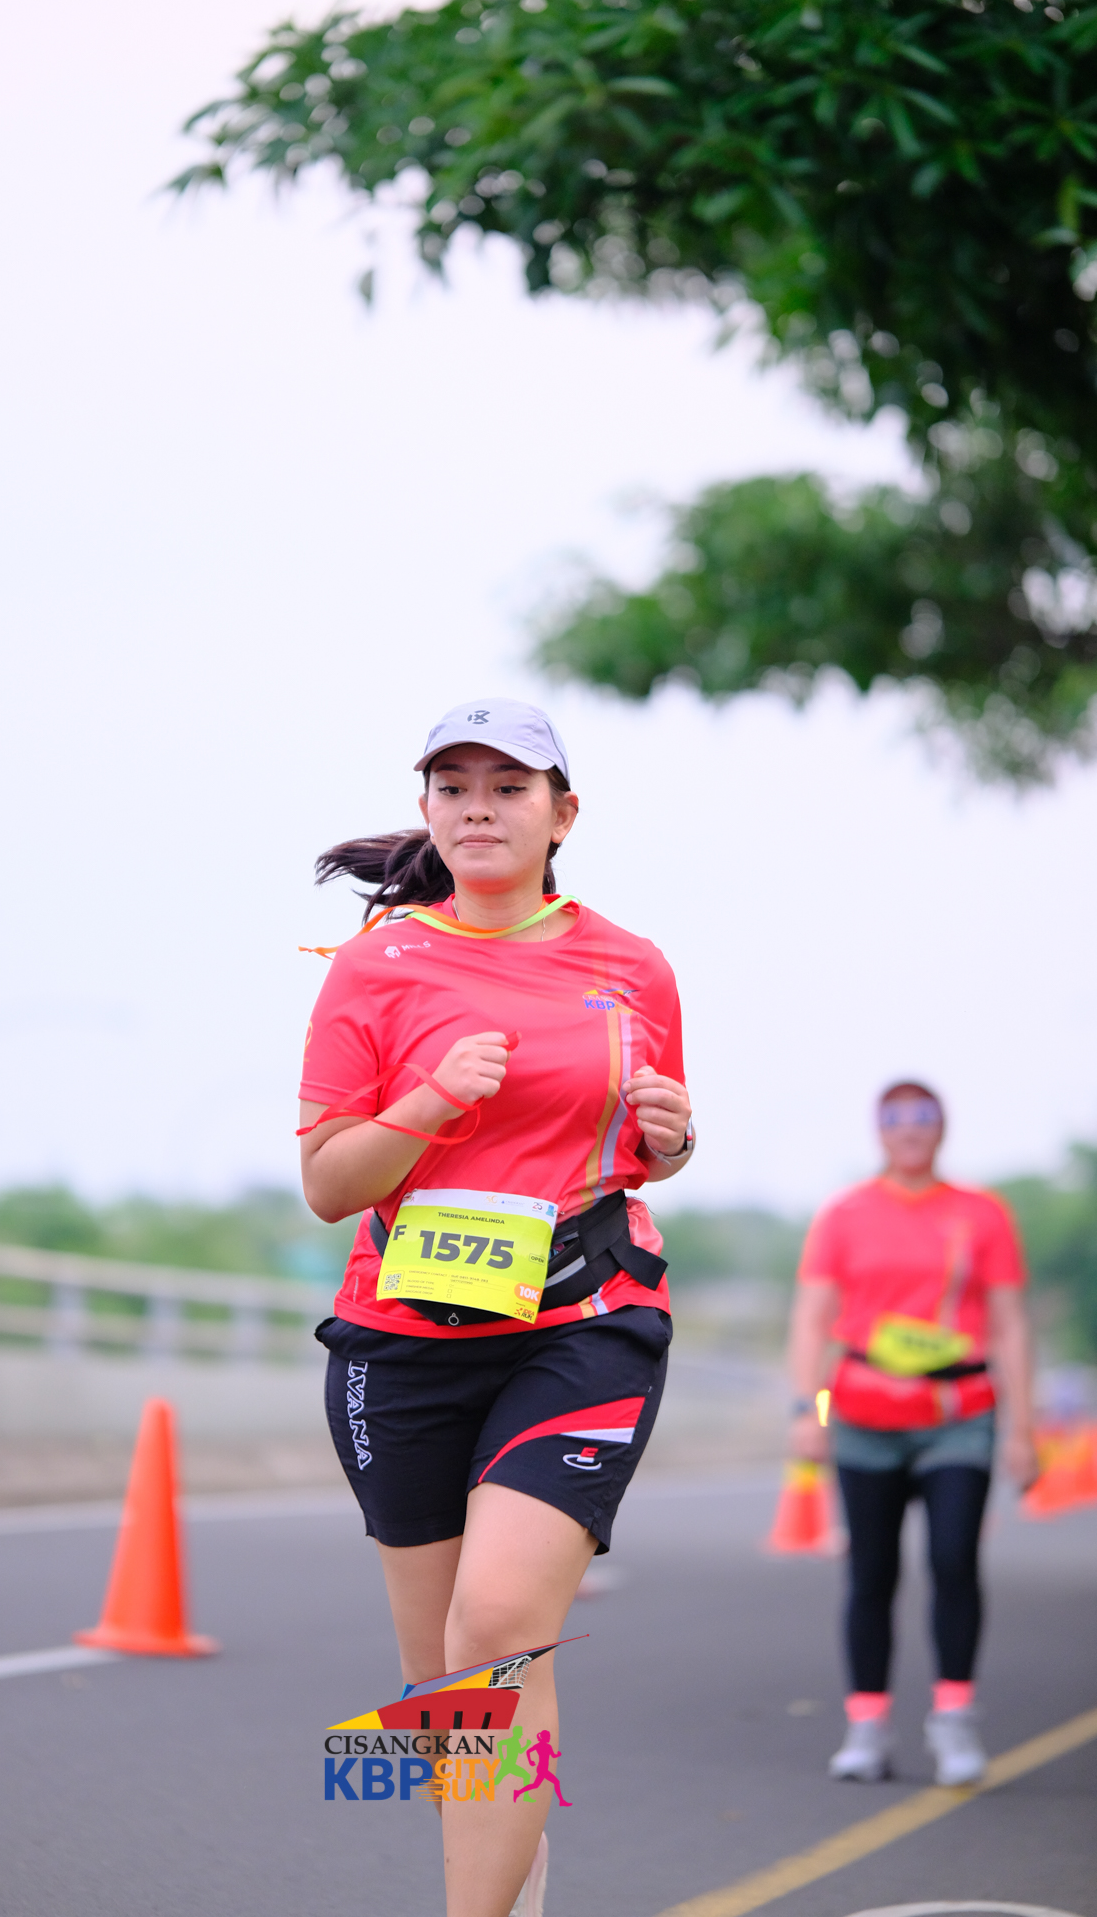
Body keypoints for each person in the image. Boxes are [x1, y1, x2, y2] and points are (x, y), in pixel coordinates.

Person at [298, 698, 693, 1917]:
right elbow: (327, 1186)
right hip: (402, 1341)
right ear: (426, 809)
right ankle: (515, 1884)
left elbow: (644, 1148)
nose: (478, 807)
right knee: (445, 1692)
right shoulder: (374, 967)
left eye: (508, 787)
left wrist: (674, 1141)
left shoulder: (630, 965)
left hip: (581, 1323)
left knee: (501, 1625)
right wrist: (425, 1101)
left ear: (560, 814)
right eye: (454, 786)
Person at [786, 1082, 1037, 1787]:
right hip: (865, 1417)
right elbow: (811, 1318)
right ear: (879, 1131)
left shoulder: (982, 1213)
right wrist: (808, 1411)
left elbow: (1011, 1324)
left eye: (922, 1118)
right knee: (872, 1572)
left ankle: (954, 1719)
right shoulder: (845, 1213)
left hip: (960, 1413)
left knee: (954, 1560)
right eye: (895, 1119)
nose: (909, 1130)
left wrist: (1022, 1428)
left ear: (941, 1129)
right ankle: (867, 1725)